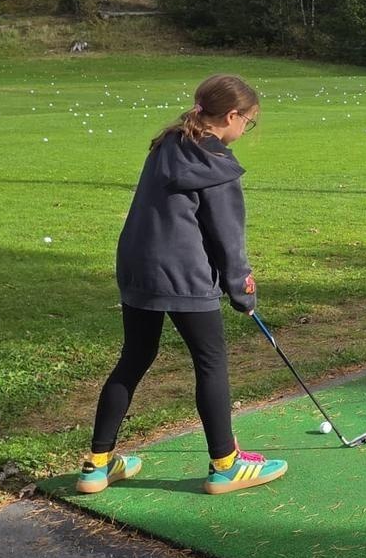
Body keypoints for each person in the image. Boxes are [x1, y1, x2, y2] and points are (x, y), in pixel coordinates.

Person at [80, 74, 287, 497]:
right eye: (248, 122)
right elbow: (228, 238)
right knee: (210, 362)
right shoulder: (218, 166)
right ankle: (226, 465)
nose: (246, 130)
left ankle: (96, 465)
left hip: (138, 268)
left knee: (134, 357)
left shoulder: (167, 144)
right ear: (231, 116)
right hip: (185, 274)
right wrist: (242, 291)